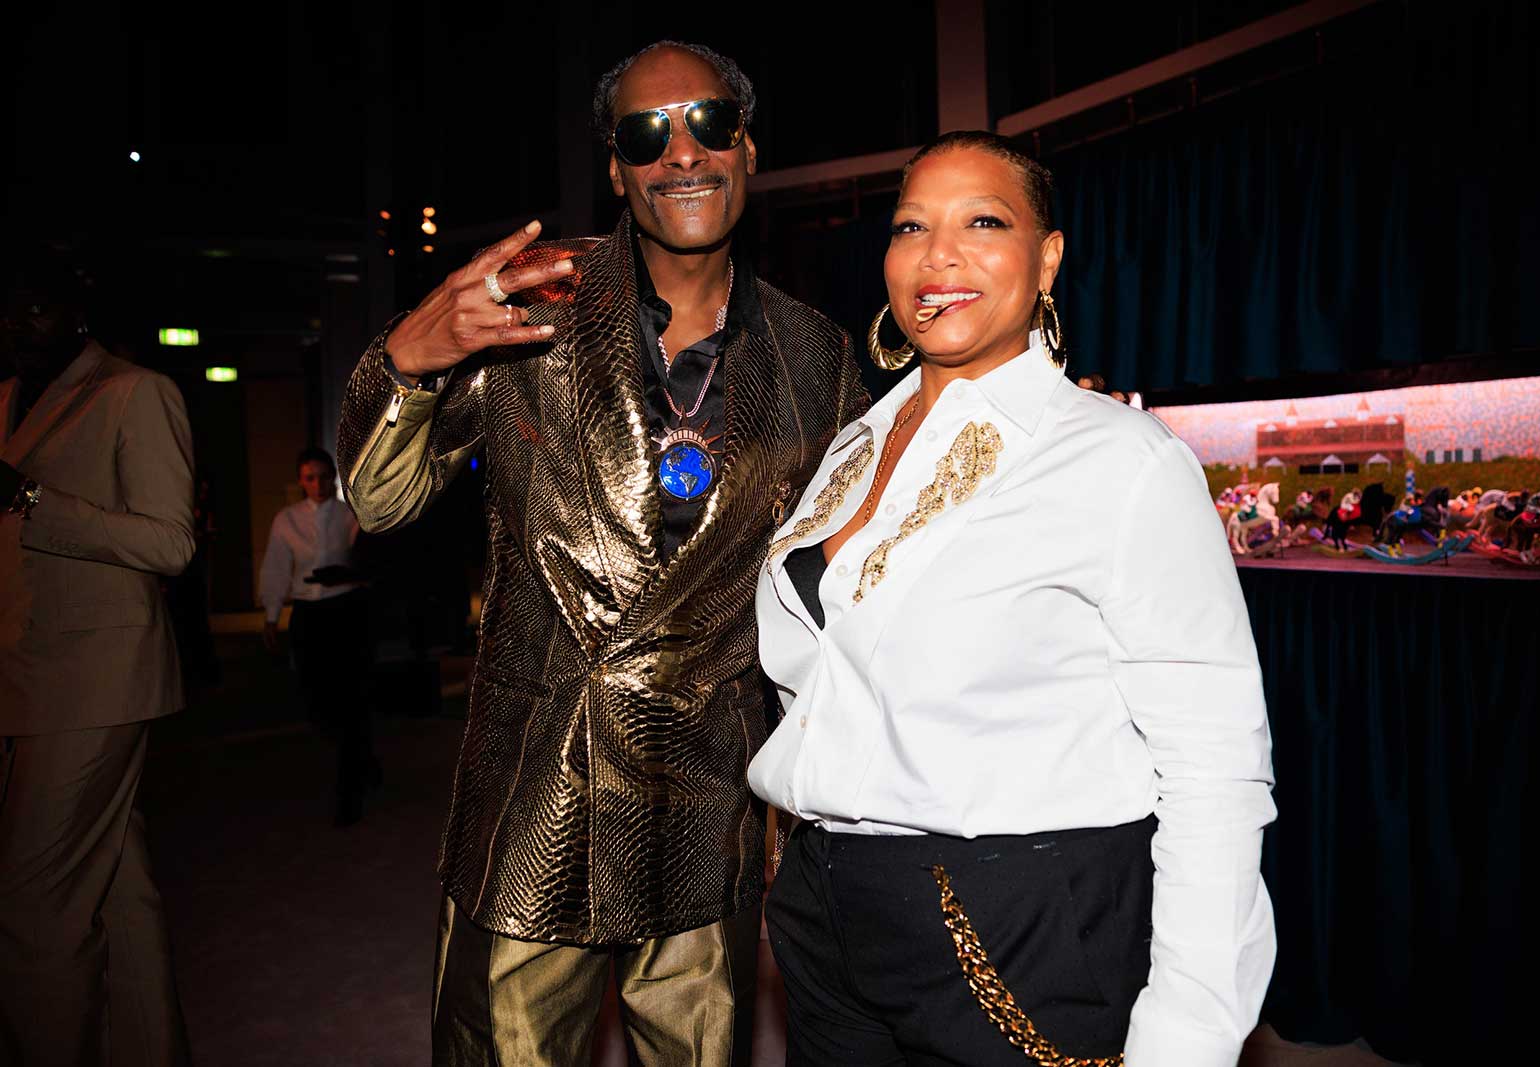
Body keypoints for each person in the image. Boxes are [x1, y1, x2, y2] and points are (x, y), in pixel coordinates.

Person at [336, 40, 866, 1065]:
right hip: (534, 792)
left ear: (748, 148)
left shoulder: (816, 356)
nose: (682, 153)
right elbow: (381, 499)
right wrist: (409, 356)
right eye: (645, 134)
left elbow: (834, 588)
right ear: (618, 171)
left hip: (706, 801)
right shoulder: (531, 305)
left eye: (709, 122)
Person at [751, 131, 1276, 1067]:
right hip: (825, 909)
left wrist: (1190, 1036)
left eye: (983, 222)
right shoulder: (852, 446)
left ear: (1048, 258)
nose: (938, 255)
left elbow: (1216, 771)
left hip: (1011, 914)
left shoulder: (1123, 460)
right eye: (911, 226)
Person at [0, 252, 194, 1065]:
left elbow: (171, 542)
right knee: (118, 892)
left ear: (76, 310)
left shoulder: (135, 391)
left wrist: (31, 499)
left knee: (30, 907)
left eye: (36, 305)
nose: (20, 321)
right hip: (28, 673)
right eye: (10, 306)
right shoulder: (7, 399)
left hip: (98, 679)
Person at [259, 446, 376, 826]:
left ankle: (351, 783)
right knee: (315, 694)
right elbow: (277, 567)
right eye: (310, 478)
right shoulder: (287, 520)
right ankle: (359, 755)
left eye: (325, 477)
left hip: (346, 610)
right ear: (301, 481)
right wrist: (271, 617)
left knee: (350, 696)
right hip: (309, 613)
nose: (319, 484)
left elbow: (369, 560)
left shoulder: (349, 514)